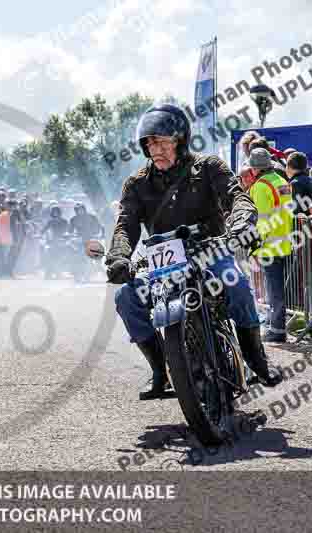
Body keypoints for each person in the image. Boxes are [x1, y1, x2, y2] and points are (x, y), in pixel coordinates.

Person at [106, 104, 282, 400]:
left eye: (161, 142)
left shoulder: (209, 167)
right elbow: (125, 227)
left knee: (237, 285)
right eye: (149, 144)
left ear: (180, 140)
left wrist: (241, 225)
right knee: (127, 297)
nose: (155, 150)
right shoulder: (136, 185)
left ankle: (257, 359)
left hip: (211, 252)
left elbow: (237, 198)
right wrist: (119, 257)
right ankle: (161, 372)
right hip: (165, 262)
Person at [240, 148, 294, 343]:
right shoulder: (282, 181)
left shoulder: (260, 186)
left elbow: (262, 220)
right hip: (284, 242)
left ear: (254, 169)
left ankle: (277, 330)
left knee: (273, 290)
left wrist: (254, 245)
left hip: (268, 246)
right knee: (277, 289)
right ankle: (276, 326)